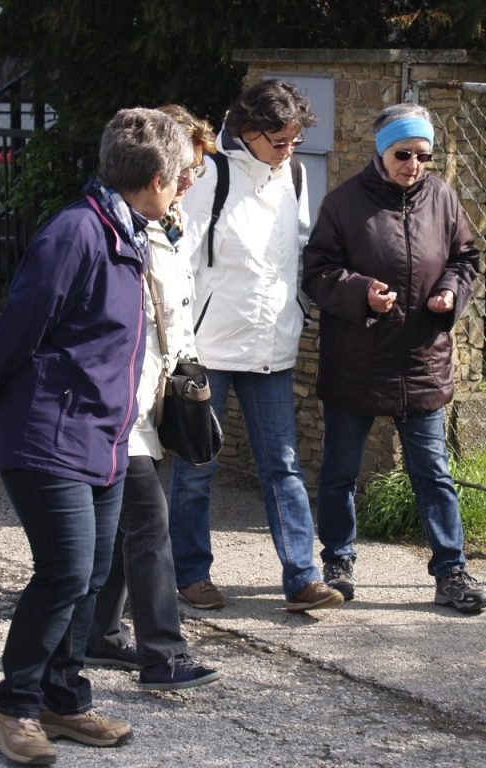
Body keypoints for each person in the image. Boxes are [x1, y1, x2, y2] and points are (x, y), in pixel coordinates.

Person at [0, 108, 194, 766]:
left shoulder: (130, 231)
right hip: (50, 431)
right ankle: (13, 709)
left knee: (92, 575)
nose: (184, 188)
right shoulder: (77, 232)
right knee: (65, 570)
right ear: (154, 178)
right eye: (180, 178)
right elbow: (20, 322)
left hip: (105, 433)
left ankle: (62, 702)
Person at [301, 103, 486, 613]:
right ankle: (337, 563)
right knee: (341, 471)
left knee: (433, 472)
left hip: (421, 357)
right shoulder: (343, 204)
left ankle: (451, 571)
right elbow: (316, 272)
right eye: (403, 154)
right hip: (357, 360)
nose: (414, 165)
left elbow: (465, 259)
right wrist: (361, 292)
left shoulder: (443, 198)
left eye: (424, 155)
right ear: (381, 151)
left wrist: (451, 293)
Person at [169, 80, 344, 613]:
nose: (290, 149)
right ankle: (191, 574)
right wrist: (181, 345)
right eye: (279, 140)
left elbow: (295, 247)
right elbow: (182, 259)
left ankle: (302, 578)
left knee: (284, 466)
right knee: (197, 466)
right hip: (207, 349)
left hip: (271, 346)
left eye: (294, 139)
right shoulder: (211, 177)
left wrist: (296, 312)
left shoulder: (293, 174)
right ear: (247, 132)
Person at [86, 105, 221, 691]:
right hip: (118, 405)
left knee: (121, 527)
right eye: (186, 167)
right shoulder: (117, 227)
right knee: (149, 525)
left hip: (152, 398)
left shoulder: (174, 225)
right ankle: (162, 654)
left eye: (197, 169)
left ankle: (97, 634)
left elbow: (175, 317)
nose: (192, 178)